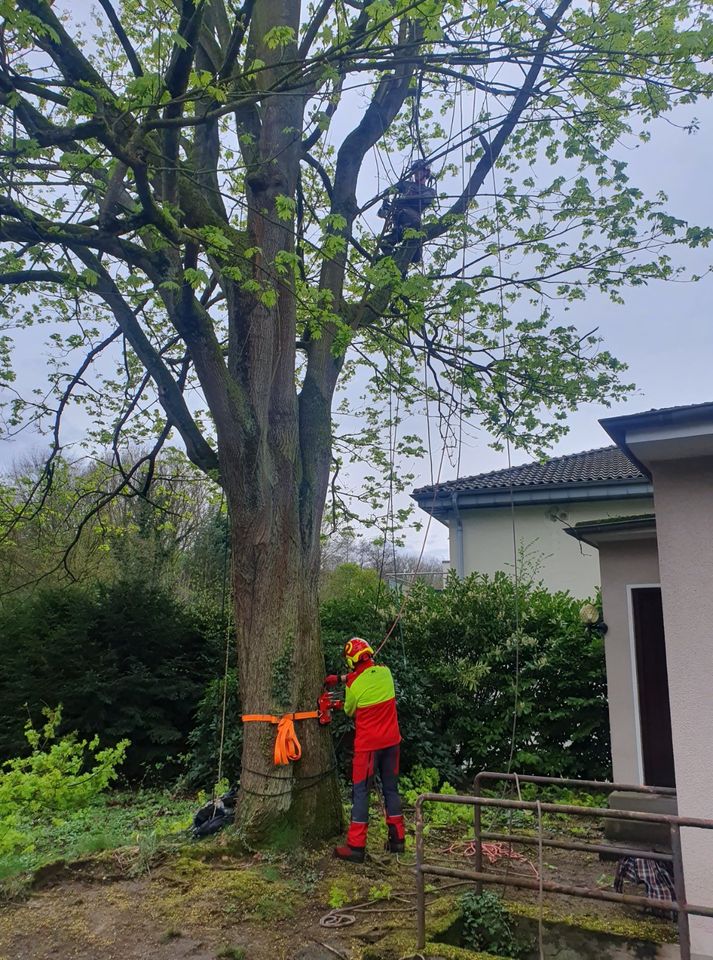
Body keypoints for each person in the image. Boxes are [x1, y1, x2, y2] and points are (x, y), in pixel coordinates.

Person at [330, 637, 405, 863]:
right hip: (392, 743)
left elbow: (350, 710)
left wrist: (342, 681)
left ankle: (355, 846)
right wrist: (344, 678)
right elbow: (365, 674)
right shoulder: (386, 673)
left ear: (351, 662)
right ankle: (398, 840)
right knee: (391, 790)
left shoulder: (353, 686)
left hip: (368, 748)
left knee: (361, 792)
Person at [378, 160, 436, 263]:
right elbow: (389, 190)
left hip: (413, 220)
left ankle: (399, 260)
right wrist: (385, 202)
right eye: (415, 171)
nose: (416, 173)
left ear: (426, 172)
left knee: (416, 257)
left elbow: (425, 199)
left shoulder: (429, 191)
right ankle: (391, 260)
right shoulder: (406, 184)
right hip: (400, 216)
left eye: (419, 171)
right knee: (385, 244)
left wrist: (403, 199)